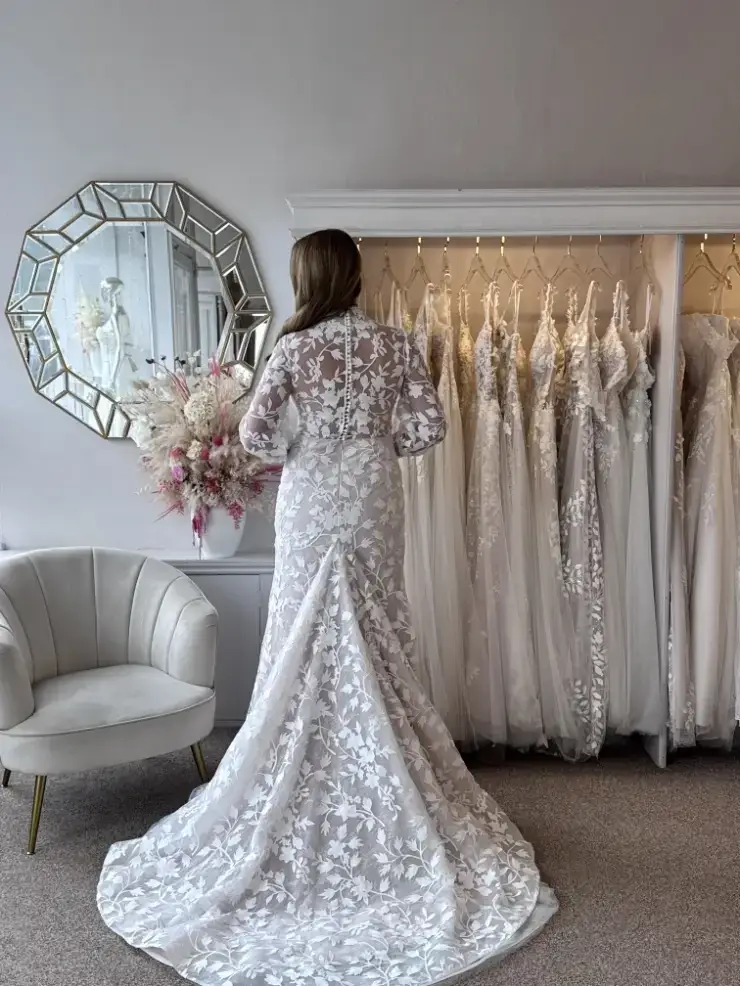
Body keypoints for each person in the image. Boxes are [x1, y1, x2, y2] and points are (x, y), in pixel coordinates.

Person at [97, 229, 557, 986]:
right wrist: (372, 439)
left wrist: (309, 440)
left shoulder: (293, 348)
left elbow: (255, 436)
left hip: (312, 499)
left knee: (302, 634)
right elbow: (429, 427)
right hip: (372, 496)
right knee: (375, 632)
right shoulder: (394, 345)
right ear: (354, 275)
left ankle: (302, 768)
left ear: (308, 278)